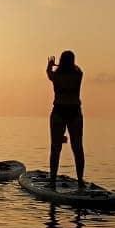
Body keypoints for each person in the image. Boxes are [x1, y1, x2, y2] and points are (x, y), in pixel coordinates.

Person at [46, 51, 84, 188]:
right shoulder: (78, 74)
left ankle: (52, 181)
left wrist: (50, 65)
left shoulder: (57, 75)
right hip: (74, 112)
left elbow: (49, 74)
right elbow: (77, 70)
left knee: (55, 148)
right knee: (77, 147)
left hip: (59, 112)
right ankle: (80, 180)